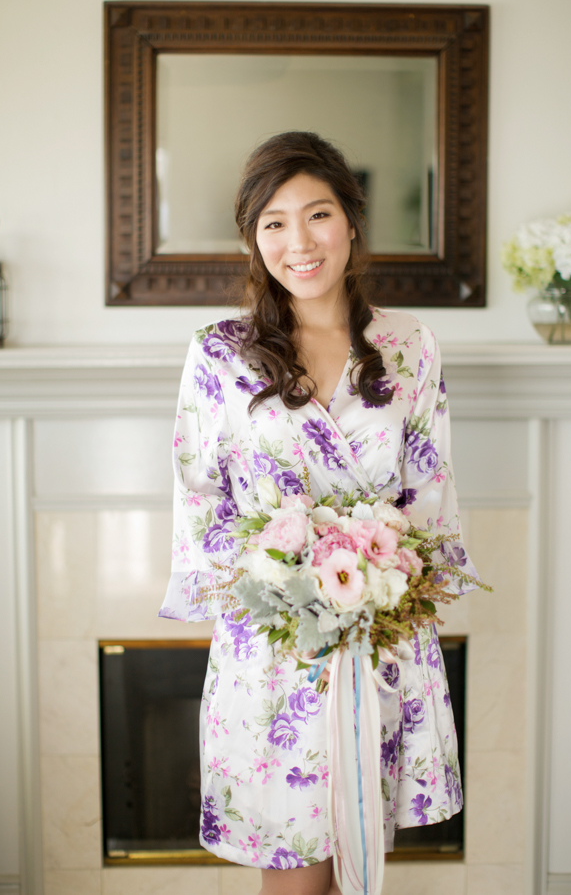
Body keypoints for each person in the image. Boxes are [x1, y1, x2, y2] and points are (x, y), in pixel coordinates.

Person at [159, 131, 479, 895]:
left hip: (378, 644)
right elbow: (200, 496)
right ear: (253, 237)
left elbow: (429, 495)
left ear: (352, 223)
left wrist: (389, 587)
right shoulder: (220, 353)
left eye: (318, 214)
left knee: (352, 859)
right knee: (297, 876)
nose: (298, 241)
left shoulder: (409, 347)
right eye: (274, 221)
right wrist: (278, 587)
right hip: (273, 650)